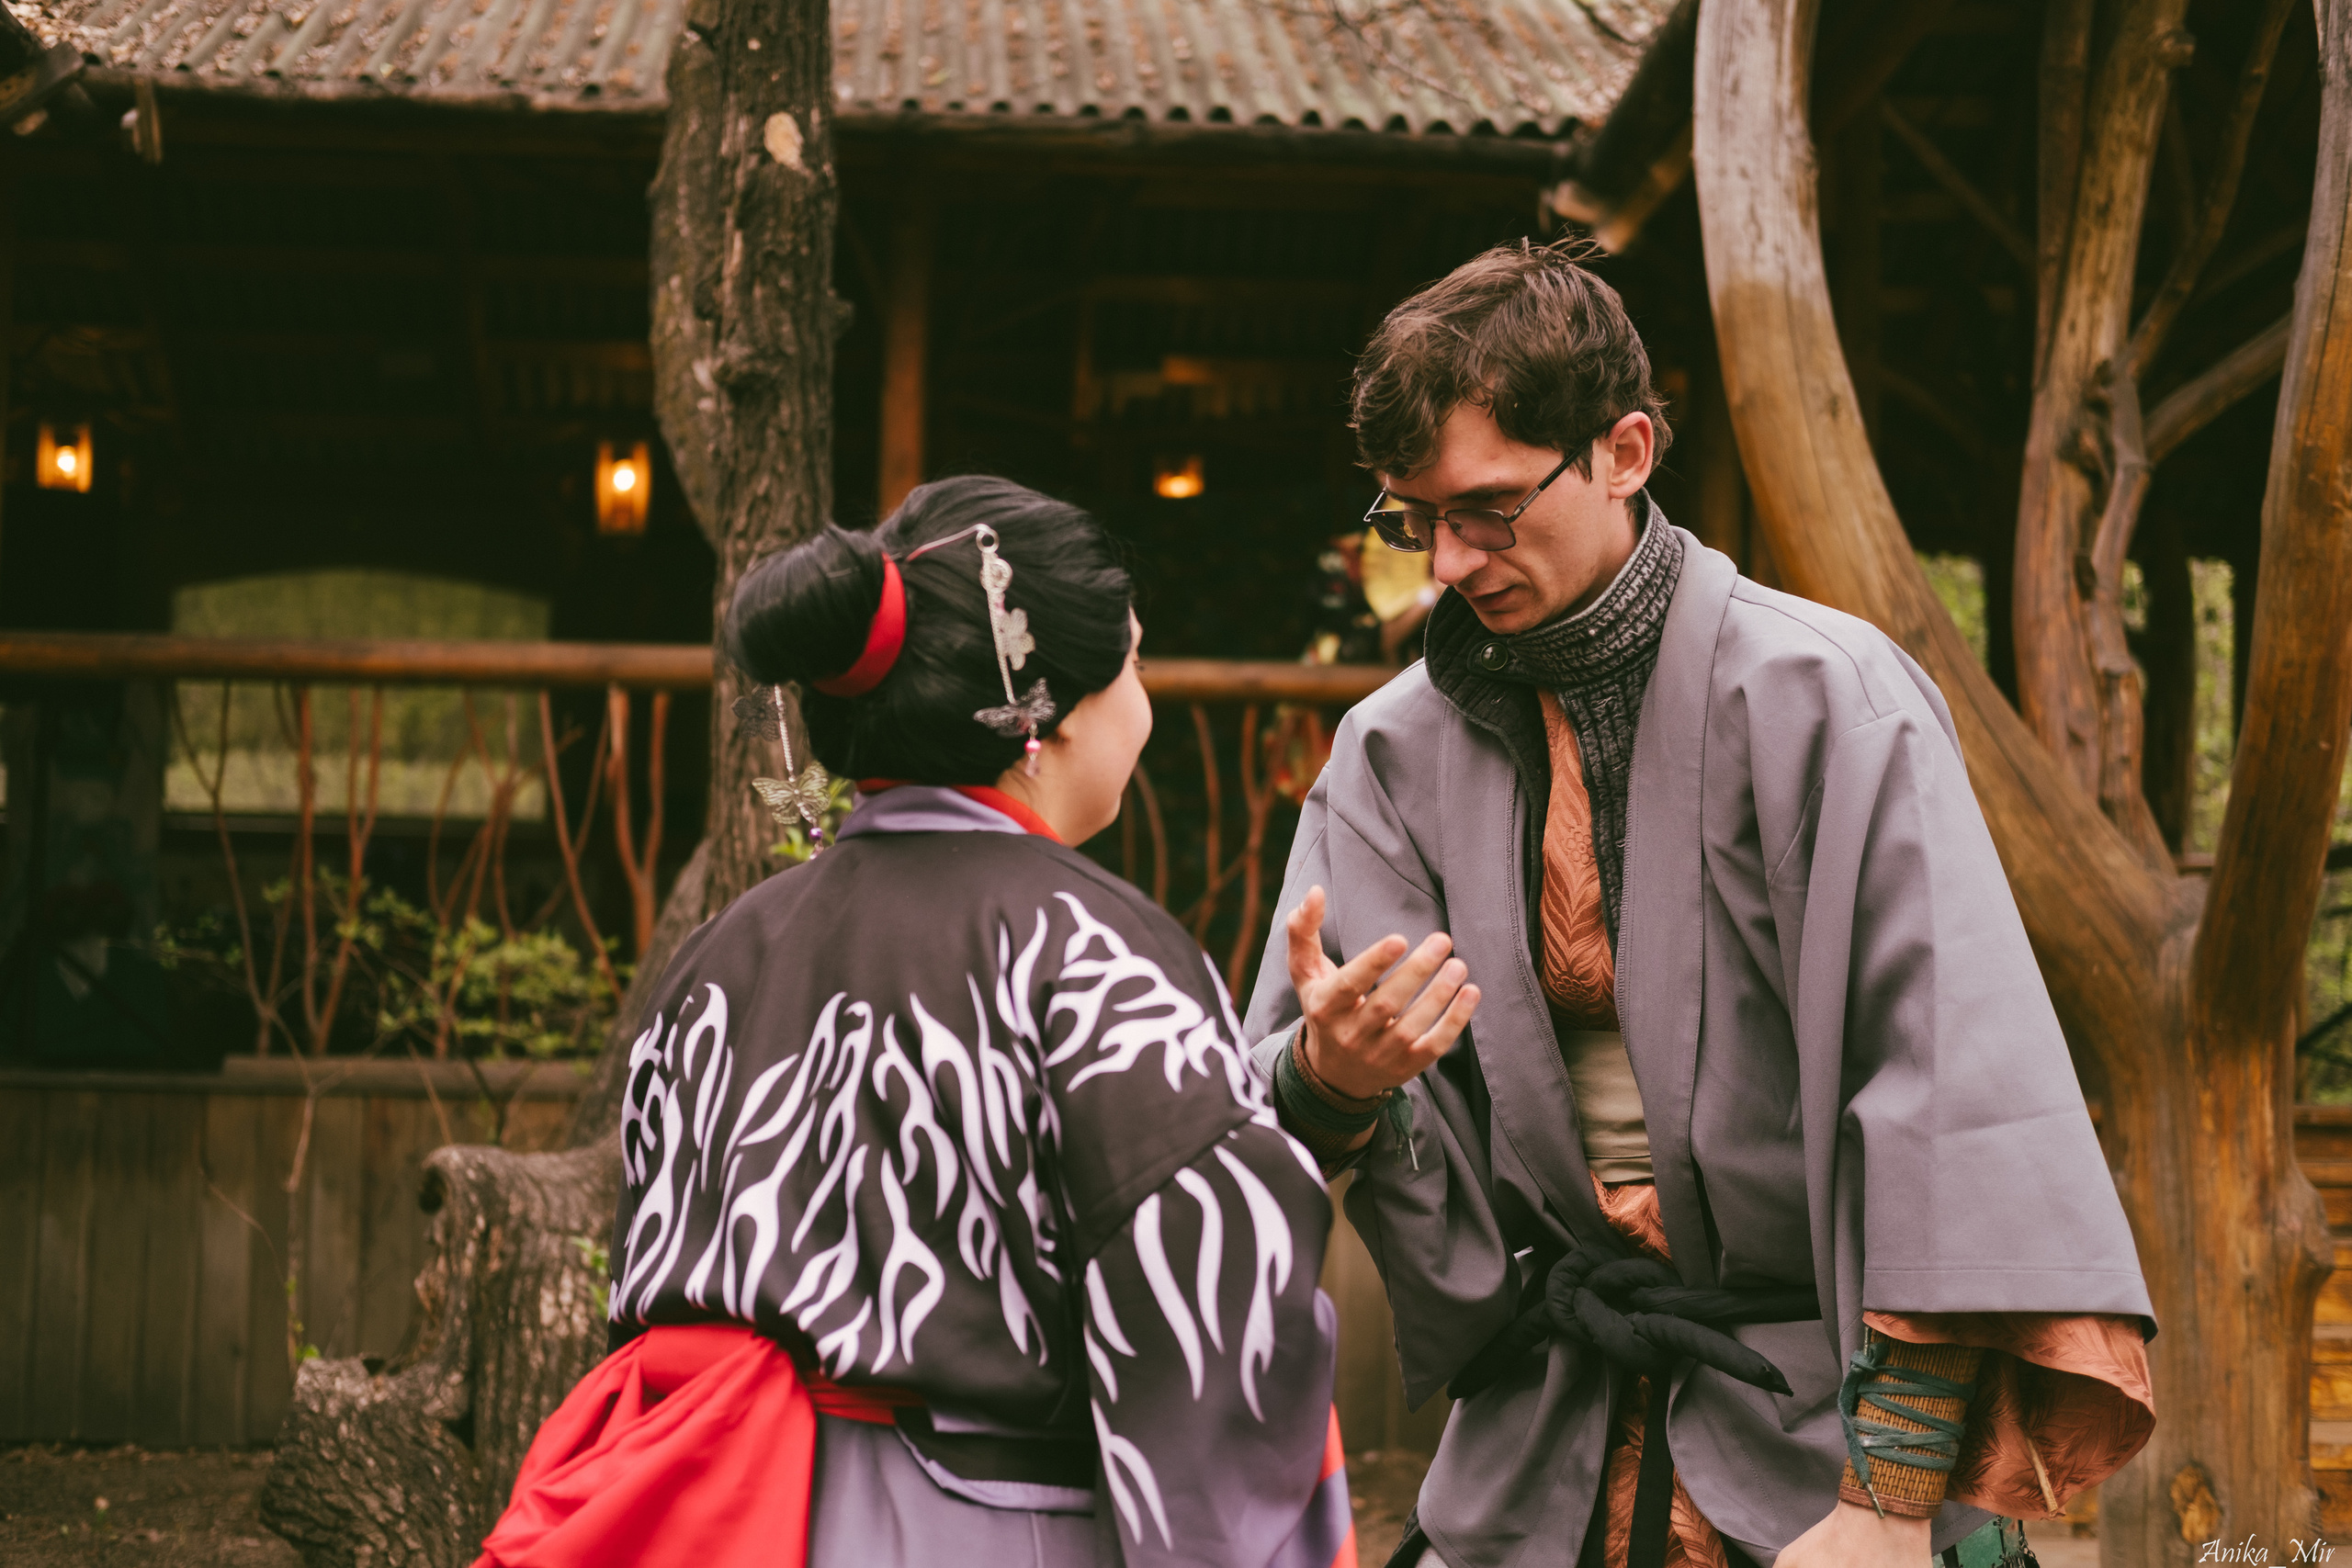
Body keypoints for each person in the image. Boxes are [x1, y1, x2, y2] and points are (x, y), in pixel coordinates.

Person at [1243, 243, 2155, 1568]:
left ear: (1623, 450)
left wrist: (1890, 1491)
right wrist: (1332, 1072)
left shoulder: (1835, 697)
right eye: (1409, 516)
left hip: (1827, 1430)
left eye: (1487, 510)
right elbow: (1269, 1097)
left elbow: (1950, 1096)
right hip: (1543, 1418)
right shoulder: (1389, 750)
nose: (1443, 562)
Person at [478, 477, 1374, 1568]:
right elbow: (1208, 1318)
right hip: (985, 1525)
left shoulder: (720, 955)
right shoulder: (1092, 950)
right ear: (1047, 713)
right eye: (1133, 662)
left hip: (715, 1514)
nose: (1146, 698)